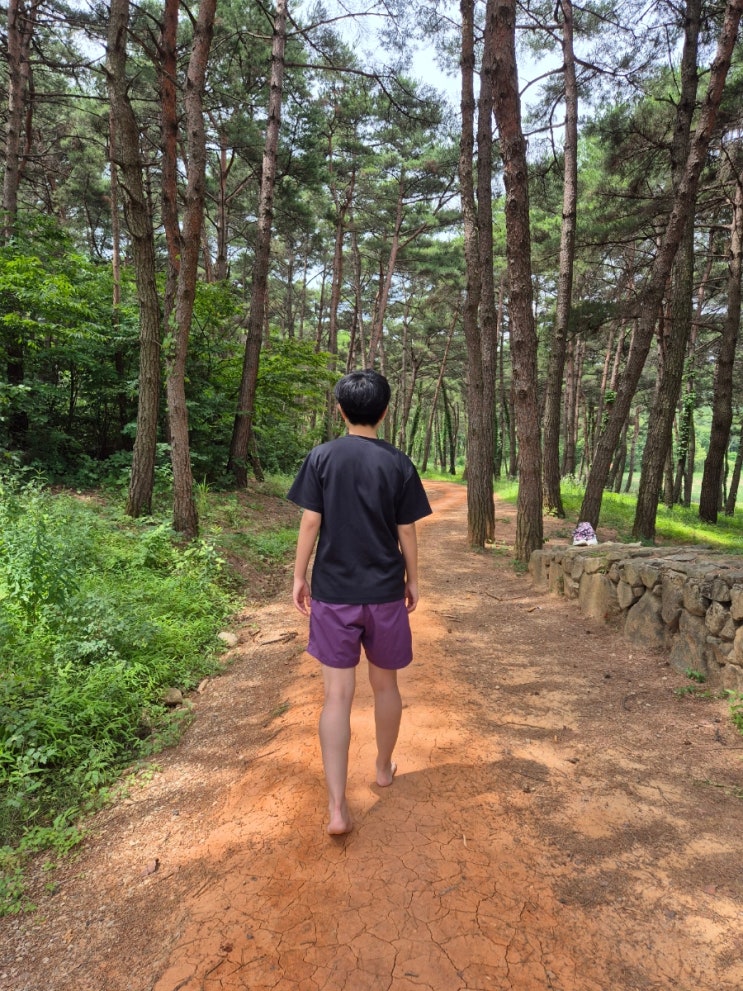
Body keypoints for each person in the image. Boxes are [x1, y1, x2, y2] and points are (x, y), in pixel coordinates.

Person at [288, 369, 432, 835]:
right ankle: (383, 768)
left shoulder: (321, 457)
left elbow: (311, 522)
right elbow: (406, 529)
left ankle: (337, 808)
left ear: (340, 410)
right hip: (385, 593)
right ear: (385, 412)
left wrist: (299, 576)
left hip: (334, 594)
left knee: (337, 696)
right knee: (386, 687)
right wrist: (413, 579)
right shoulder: (398, 463)